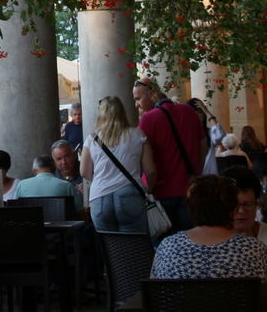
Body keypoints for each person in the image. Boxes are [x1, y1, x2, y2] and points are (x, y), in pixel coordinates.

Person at [149, 175, 267, 311]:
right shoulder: (254, 249)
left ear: (191, 208)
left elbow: (154, 298)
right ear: (233, 209)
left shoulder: (167, 247)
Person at [134, 79, 204, 229]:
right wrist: (197, 171)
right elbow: (203, 144)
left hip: (162, 192)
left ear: (151, 95)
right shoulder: (189, 111)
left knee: (162, 246)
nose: (136, 105)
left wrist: (148, 188)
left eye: (138, 99)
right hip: (191, 189)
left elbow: (145, 163)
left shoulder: (148, 119)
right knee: (191, 243)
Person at [82, 95, 157, 233]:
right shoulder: (138, 135)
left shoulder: (92, 139)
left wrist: (101, 177)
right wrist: (148, 188)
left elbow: (84, 172)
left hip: (99, 196)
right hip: (130, 193)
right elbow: (151, 171)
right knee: (134, 245)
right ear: (122, 112)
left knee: (107, 246)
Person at [51, 140, 85, 209]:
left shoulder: (85, 171)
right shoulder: (52, 179)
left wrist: (88, 190)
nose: (64, 162)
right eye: (59, 159)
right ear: (54, 162)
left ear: (74, 154)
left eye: (67, 156)